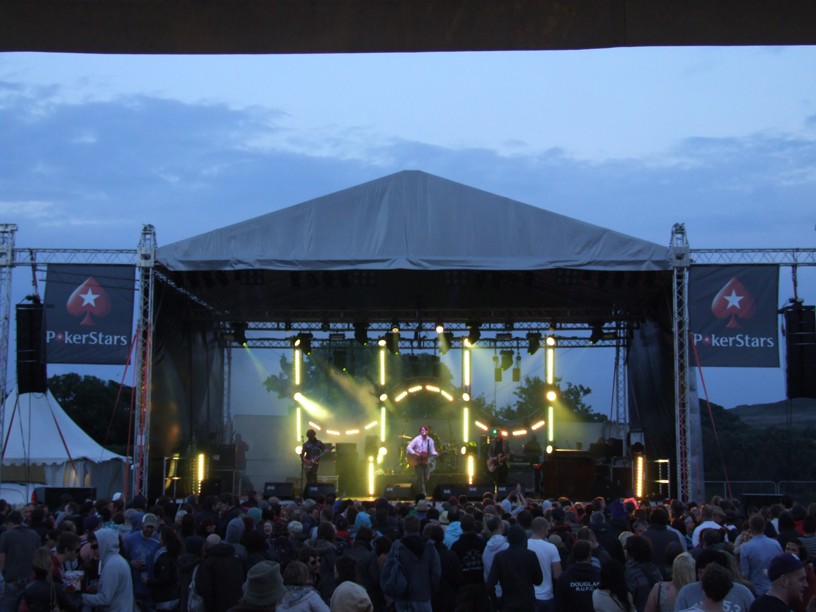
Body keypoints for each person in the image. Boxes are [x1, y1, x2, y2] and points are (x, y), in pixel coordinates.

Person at [486, 524, 543, 612]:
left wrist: (495, 603)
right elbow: (538, 580)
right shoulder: (530, 555)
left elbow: (490, 584)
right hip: (527, 603)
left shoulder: (500, 557)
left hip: (508, 604)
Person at [82, 528, 136, 612]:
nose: (93, 550)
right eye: (92, 547)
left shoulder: (111, 566)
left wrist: (82, 598)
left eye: (95, 546)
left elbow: (104, 599)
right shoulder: (118, 560)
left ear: (105, 544)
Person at [0, 510, 42, 612]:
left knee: (8, 605)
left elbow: (2, 557)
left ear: (9, 523)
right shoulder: (34, 534)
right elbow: (39, 555)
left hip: (12, 577)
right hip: (30, 578)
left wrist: (2, 573)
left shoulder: (6, 535)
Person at [20, 546, 81, 612]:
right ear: (51, 565)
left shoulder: (28, 588)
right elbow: (74, 608)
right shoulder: (56, 588)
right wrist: (78, 593)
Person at [749, 553, 815, 612]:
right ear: (784, 581)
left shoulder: (759, 604)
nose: (806, 585)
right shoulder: (775, 609)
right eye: (801, 579)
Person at [741, 514, 784, 597]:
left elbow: (745, 575)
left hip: (756, 591)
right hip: (775, 590)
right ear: (764, 527)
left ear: (750, 528)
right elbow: (782, 566)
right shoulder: (775, 544)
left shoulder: (746, 547)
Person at [527, 516, 562, 612]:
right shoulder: (551, 547)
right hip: (546, 596)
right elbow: (557, 575)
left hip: (528, 595)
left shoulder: (524, 546)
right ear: (543, 528)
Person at [406, 425, 438, 497]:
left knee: (426, 477)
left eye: (425, 430)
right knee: (421, 478)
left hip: (425, 462)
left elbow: (432, 451)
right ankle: (422, 494)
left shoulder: (430, 440)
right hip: (418, 462)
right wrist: (415, 453)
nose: (424, 432)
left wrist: (436, 454)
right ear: (420, 431)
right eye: (422, 430)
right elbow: (409, 447)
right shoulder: (417, 439)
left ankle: (423, 492)